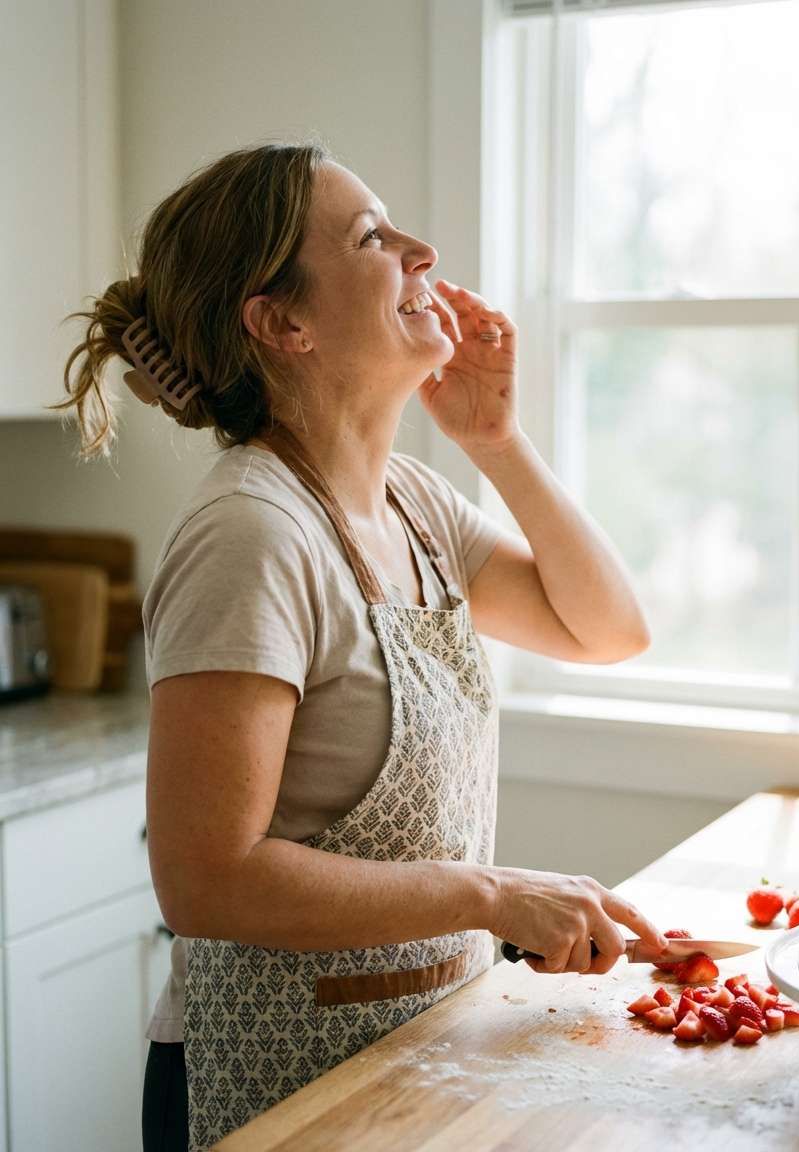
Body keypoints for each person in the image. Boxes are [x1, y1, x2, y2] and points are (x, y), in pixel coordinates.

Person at [53, 139, 666, 1152]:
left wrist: (496, 442)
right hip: (274, 1087)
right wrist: (494, 896)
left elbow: (607, 630)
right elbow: (205, 879)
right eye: (372, 236)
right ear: (281, 323)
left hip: (416, 1055)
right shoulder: (252, 534)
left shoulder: (413, 503)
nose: (421, 252)